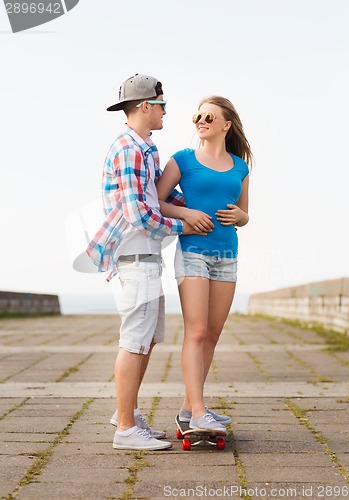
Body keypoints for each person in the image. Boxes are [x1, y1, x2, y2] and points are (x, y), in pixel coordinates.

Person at [86, 74, 202, 451]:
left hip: (147, 257)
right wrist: (185, 227)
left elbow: (160, 196)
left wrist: (192, 208)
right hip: (135, 256)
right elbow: (141, 215)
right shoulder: (128, 149)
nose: (167, 111)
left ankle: (129, 414)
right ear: (144, 106)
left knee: (147, 340)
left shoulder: (145, 147)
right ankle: (124, 429)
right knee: (134, 341)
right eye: (163, 105)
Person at [156, 96, 252, 432]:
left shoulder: (241, 167)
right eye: (197, 115)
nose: (201, 120)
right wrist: (186, 213)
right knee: (195, 333)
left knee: (212, 334)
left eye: (209, 116)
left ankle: (188, 409)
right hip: (193, 252)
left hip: (227, 256)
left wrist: (243, 216)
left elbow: (244, 214)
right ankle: (198, 413)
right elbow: (157, 202)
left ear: (225, 124)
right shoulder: (182, 160)